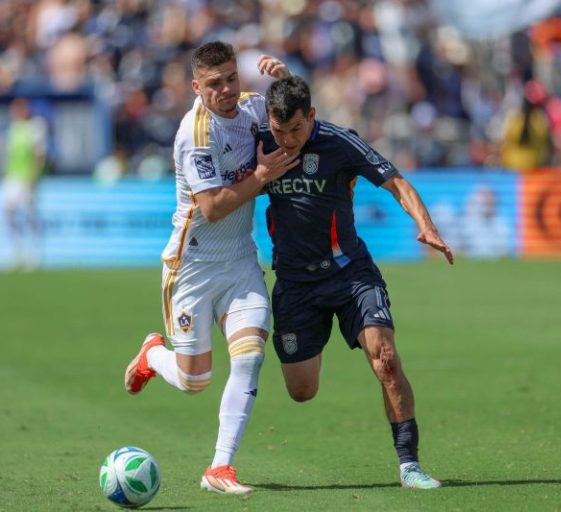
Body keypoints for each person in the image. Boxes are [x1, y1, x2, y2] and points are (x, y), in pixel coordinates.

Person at [258, 76, 453, 489]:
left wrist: (427, 227)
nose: (288, 140)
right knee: (302, 390)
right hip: (294, 284)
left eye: (296, 129)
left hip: (349, 274)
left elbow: (396, 181)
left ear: (311, 116)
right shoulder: (259, 142)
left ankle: (409, 465)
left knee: (385, 358)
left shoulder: (339, 142)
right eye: (280, 131)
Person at [123, 42, 298, 495]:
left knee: (251, 356)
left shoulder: (253, 109)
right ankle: (152, 355)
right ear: (197, 87)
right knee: (193, 380)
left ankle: (219, 468)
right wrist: (260, 178)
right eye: (213, 83)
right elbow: (214, 207)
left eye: (230, 79)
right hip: (193, 266)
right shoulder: (193, 135)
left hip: (240, 258)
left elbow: (300, 123)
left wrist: (285, 81)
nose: (224, 89)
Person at [0, 97, 47, 270]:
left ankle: (33, 252)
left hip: (28, 178)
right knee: (9, 213)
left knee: (30, 215)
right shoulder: (12, 129)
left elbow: (39, 154)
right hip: (13, 177)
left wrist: (36, 176)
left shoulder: (34, 128)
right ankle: (17, 250)